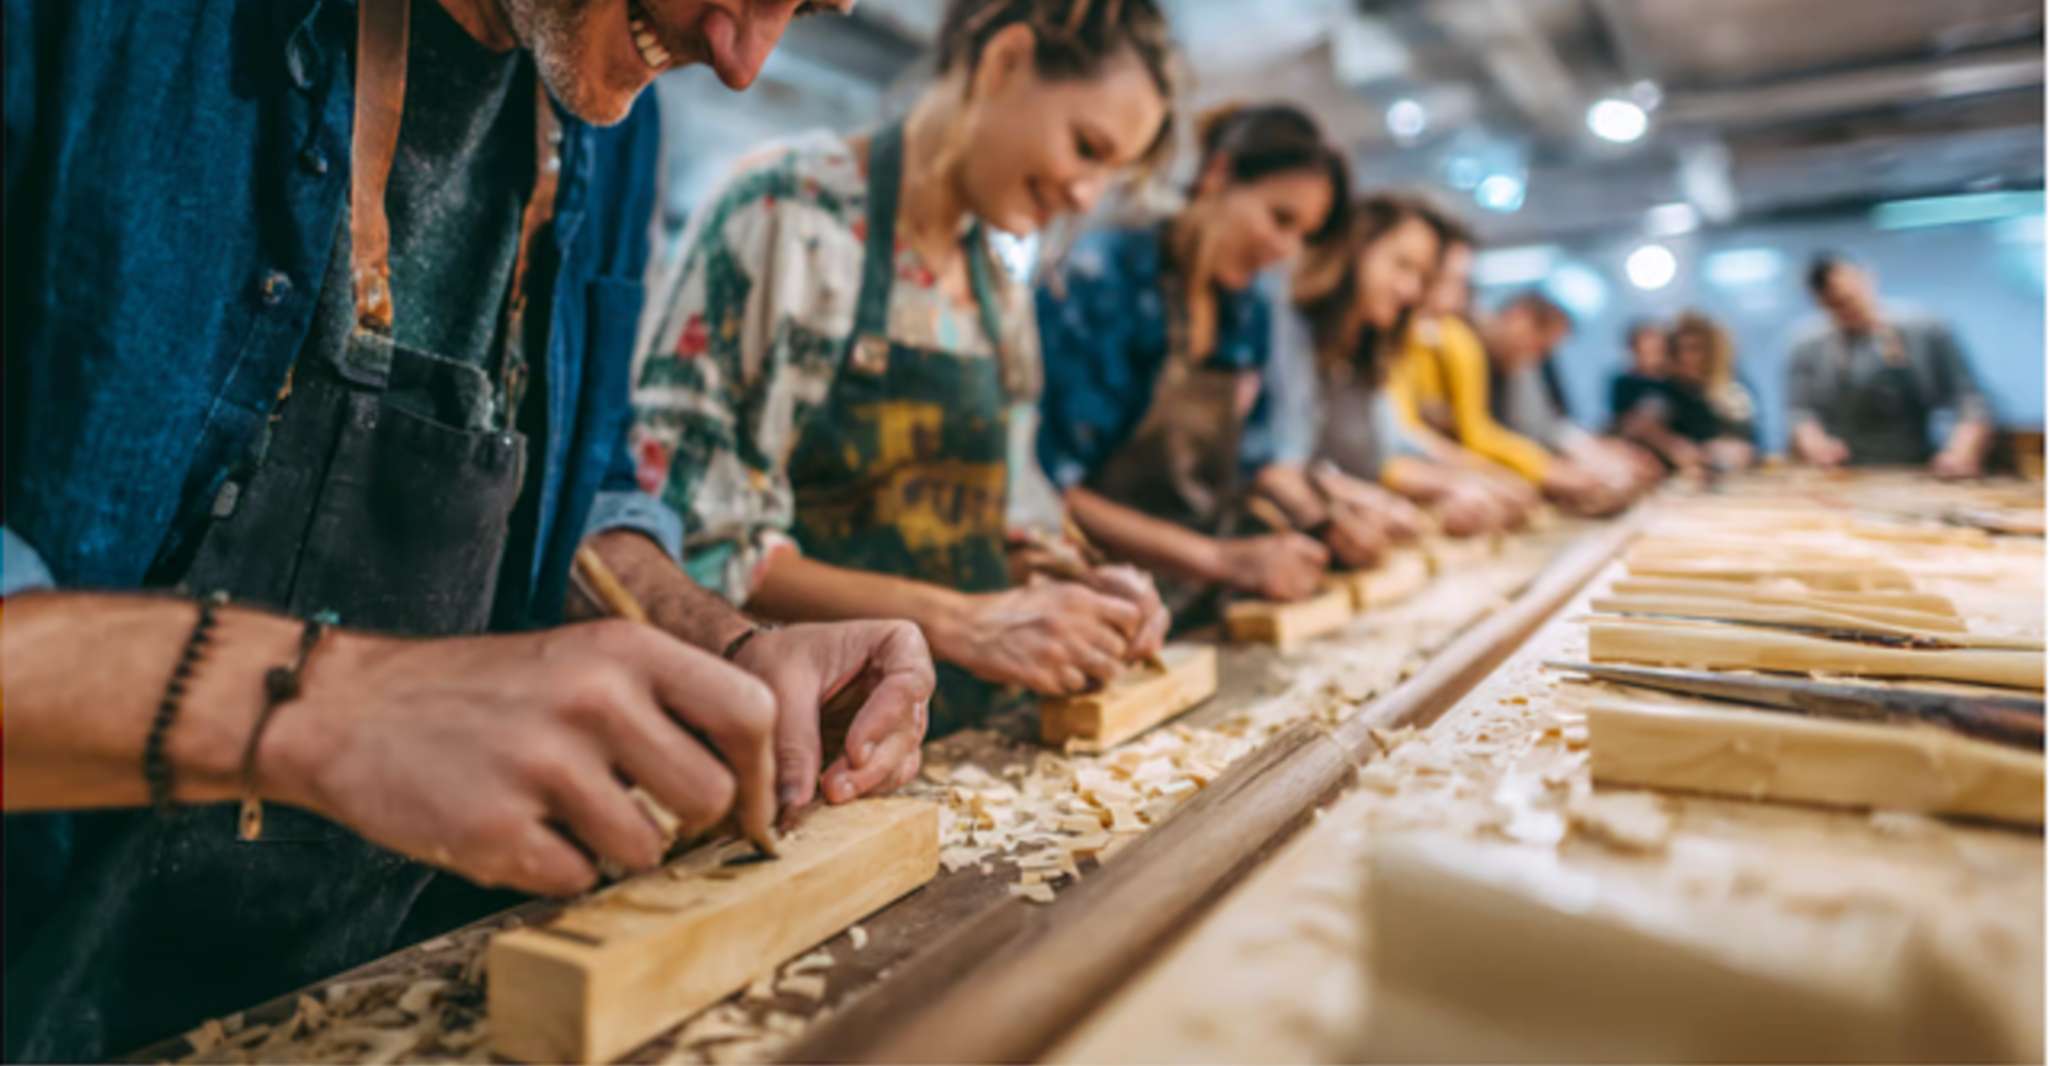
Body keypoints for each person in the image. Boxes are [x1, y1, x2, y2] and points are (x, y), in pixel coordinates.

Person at [2, 0, 938, 1058]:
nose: (742, 59)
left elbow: (577, 505)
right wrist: (331, 703)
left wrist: (730, 649)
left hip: (379, 1005)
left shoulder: (605, 125)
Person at [631, 0, 1179, 733]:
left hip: (966, 742)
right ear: (1003, 60)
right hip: (805, 744)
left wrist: (1072, 585)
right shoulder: (789, 215)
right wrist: (958, 623)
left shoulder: (995, 286)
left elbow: (1011, 508)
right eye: (1086, 146)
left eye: (1111, 174)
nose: (1086, 194)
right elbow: (690, 544)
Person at [1032, 103, 1363, 620]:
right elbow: (1051, 487)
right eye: (1280, 219)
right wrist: (1218, 559)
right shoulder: (1104, 278)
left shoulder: (1246, 306)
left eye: (1303, 235)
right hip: (1096, 602)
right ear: (1218, 173)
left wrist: (1327, 522)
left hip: (1200, 600)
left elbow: (1255, 463)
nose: (1285, 249)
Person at [1278, 193, 1525, 537]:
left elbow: (1389, 447)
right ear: (1356, 248)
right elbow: (1278, 464)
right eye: (1402, 265)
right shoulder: (1290, 335)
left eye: (1422, 277)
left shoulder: (1368, 354)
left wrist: (1475, 479)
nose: (1411, 290)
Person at [1386, 230, 1619, 516]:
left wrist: (1524, 473)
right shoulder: (1394, 341)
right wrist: (1494, 476)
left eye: (1463, 283)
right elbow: (1400, 439)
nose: (1459, 297)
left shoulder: (1456, 339)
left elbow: (1478, 430)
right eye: (1450, 280)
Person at [1788, 254, 1992, 477]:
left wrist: (1961, 453)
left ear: (1868, 278)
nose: (1845, 311)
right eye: (1834, 306)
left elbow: (1970, 401)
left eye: (1849, 299)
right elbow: (1801, 412)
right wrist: (1816, 445)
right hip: (1843, 474)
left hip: (1917, 469)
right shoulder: (1806, 345)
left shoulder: (1924, 329)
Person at [1479, 291, 1657, 511]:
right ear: (1519, 318)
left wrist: (1594, 452)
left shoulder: (1520, 366)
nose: (1539, 356)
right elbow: (1490, 432)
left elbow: (1542, 426)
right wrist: (1552, 471)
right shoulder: (1471, 349)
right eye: (1540, 347)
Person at [1668, 311, 1759, 471]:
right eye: (1679, 350)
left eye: (1694, 349)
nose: (1686, 357)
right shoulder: (1667, 392)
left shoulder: (1733, 393)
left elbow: (1746, 448)